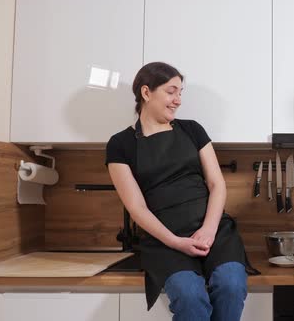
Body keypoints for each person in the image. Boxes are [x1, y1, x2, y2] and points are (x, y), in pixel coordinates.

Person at [106, 62, 248, 321]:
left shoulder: (192, 129)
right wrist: (175, 241)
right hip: (165, 241)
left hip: (213, 230)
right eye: (171, 92)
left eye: (181, 93)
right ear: (146, 93)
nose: (178, 100)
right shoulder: (120, 144)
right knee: (189, 296)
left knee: (231, 284)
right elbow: (136, 207)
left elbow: (217, 184)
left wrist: (208, 229)